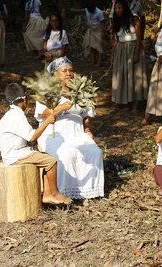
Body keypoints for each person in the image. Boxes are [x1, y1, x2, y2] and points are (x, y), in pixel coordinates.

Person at [34, 57, 104, 199]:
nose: (68, 73)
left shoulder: (80, 91)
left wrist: (87, 127)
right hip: (55, 134)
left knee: (95, 152)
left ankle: (89, 192)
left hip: (77, 133)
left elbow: (87, 116)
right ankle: (61, 192)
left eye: (70, 70)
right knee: (67, 153)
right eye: (64, 71)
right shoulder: (47, 92)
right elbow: (44, 113)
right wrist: (60, 107)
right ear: (55, 73)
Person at [0, 83, 72, 205]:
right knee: (51, 161)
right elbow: (32, 137)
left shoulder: (10, 114)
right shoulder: (17, 116)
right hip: (14, 155)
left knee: (44, 156)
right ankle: (55, 193)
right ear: (23, 100)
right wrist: (47, 121)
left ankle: (47, 195)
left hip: (12, 152)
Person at [111, 0, 147, 111]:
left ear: (125, 8)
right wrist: (113, 55)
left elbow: (139, 38)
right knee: (123, 76)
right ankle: (126, 102)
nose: (118, 10)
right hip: (121, 50)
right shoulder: (116, 22)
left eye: (120, 8)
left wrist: (136, 53)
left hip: (133, 48)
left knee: (136, 77)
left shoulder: (134, 19)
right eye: (116, 8)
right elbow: (115, 40)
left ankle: (136, 105)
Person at [71, 1, 105, 66]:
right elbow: (81, 10)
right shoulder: (87, 9)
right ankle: (93, 61)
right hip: (90, 29)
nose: (90, 10)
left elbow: (102, 22)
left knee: (99, 46)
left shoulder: (99, 12)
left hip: (98, 30)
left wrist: (103, 32)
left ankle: (99, 62)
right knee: (91, 46)